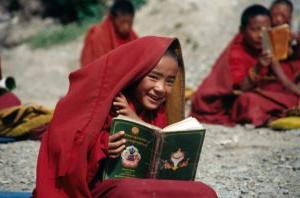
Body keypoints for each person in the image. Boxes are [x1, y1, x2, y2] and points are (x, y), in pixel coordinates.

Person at [35, 36, 217, 197]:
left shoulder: (160, 111)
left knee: (205, 192)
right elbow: (67, 152)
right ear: (135, 73)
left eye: (169, 81)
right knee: (130, 192)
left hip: (151, 187)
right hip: (112, 188)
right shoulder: (108, 104)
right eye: (153, 77)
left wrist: (136, 120)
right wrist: (102, 145)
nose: (161, 88)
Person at [190, 4, 300, 127]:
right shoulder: (237, 51)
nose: (260, 35)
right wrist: (258, 67)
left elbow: (285, 77)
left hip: (263, 92)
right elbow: (240, 90)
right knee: (248, 101)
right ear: (242, 30)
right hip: (234, 101)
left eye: (265, 30)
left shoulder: (266, 44)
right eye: (255, 29)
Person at [80, 0, 138, 67]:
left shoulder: (131, 36)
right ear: (113, 18)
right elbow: (92, 68)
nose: (126, 27)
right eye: (122, 22)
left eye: (129, 23)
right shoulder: (98, 36)